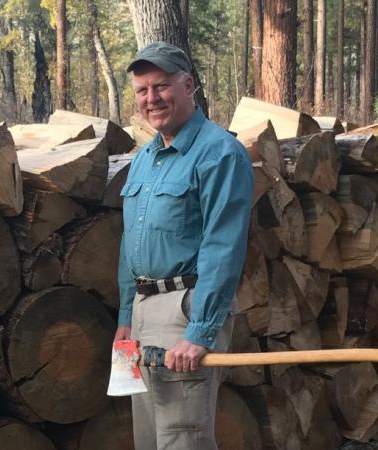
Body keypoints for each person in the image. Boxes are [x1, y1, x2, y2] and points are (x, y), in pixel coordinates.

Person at [114, 41, 254, 449]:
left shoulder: (219, 154)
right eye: (142, 90)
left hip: (183, 310)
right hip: (140, 316)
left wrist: (201, 331)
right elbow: (130, 241)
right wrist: (126, 317)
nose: (151, 99)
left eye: (161, 86)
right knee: (147, 439)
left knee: (182, 441)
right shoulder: (145, 158)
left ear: (188, 85)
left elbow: (223, 246)